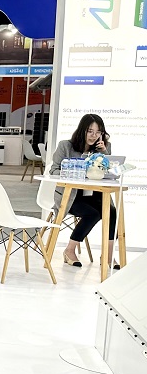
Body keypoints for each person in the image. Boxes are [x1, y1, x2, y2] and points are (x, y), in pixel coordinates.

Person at [49, 113, 116, 269]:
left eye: (98, 132)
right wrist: (74, 171)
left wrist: (104, 153)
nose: (94, 136)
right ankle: (69, 250)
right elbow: (53, 171)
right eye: (90, 131)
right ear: (82, 130)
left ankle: (107, 255)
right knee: (93, 214)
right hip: (70, 196)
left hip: (93, 194)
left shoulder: (104, 148)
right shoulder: (66, 146)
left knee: (111, 211)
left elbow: (109, 173)